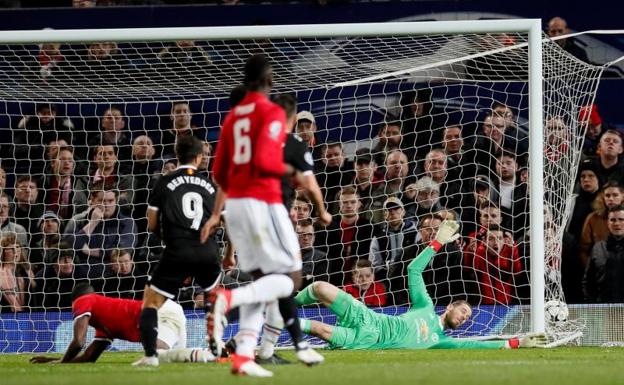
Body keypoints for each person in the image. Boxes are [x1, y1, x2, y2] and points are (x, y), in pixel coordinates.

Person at [201, 55, 323, 377]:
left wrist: (216, 215)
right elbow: (268, 162)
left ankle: (243, 355)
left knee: (263, 280)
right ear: (269, 80)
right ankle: (227, 297)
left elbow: (219, 174)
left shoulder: (231, 119)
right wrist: (293, 171)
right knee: (289, 279)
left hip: (236, 206)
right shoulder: (270, 112)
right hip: (263, 201)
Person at [295, 220, 546, 349]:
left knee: (320, 330)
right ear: (449, 307)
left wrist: (514, 343)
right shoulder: (425, 305)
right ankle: (286, 302)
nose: (465, 318)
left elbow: (472, 344)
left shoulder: (439, 341)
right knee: (320, 288)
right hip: (370, 318)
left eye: (467, 318)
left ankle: (278, 319)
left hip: (368, 341)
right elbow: (413, 270)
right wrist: (436, 243)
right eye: (463, 311)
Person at [133, 135, 221, 367]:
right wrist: (230, 253)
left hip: (178, 249)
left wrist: (168, 239)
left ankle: (151, 356)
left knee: (151, 303)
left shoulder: (164, 182)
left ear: (176, 153)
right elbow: (223, 221)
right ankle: (215, 348)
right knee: (214, 298)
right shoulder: (211, 185)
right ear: (200, 156)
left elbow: (151, 223)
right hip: (208, 250)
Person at [29, 283, 214, 364]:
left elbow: (78, 341)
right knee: (174, 360)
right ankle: (212, 353)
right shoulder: (104, 325)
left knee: (158, 355)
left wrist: (61, 363)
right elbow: (89, 357)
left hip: (159, 311)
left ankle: (215, 353)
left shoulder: (84, 299)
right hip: (167, 310)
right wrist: (55, 360)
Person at [583, 205, 624, 303]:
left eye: (621, 219)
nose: (617, 223)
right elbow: (588, 281)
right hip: (604, 308)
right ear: (607, 223)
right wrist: (592, 305)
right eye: (613, 220)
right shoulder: (598, 248)